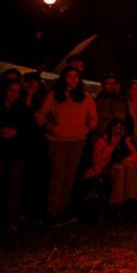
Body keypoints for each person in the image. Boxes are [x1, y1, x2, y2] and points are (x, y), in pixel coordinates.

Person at [35, 66, 97, 225]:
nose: (72, 80)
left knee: (69, 177)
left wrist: (87, 128)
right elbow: (40, 115)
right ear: (64, 78)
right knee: (58, 176)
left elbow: (93, 119)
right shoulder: (55, 96)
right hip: (58, 141)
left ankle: (63, 210)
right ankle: (52, 211)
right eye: (69, 77)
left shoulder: (86, 97)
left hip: (77, 141)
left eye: (75, 77)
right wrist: (53, 128)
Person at [1, 80, 32, 232]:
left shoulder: (22, 109)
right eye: (11, 90)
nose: (13, 94)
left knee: (13, 187)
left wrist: (16, 132)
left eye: (17, 92)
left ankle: (10, 221)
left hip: (16, 153)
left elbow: (29, 130)